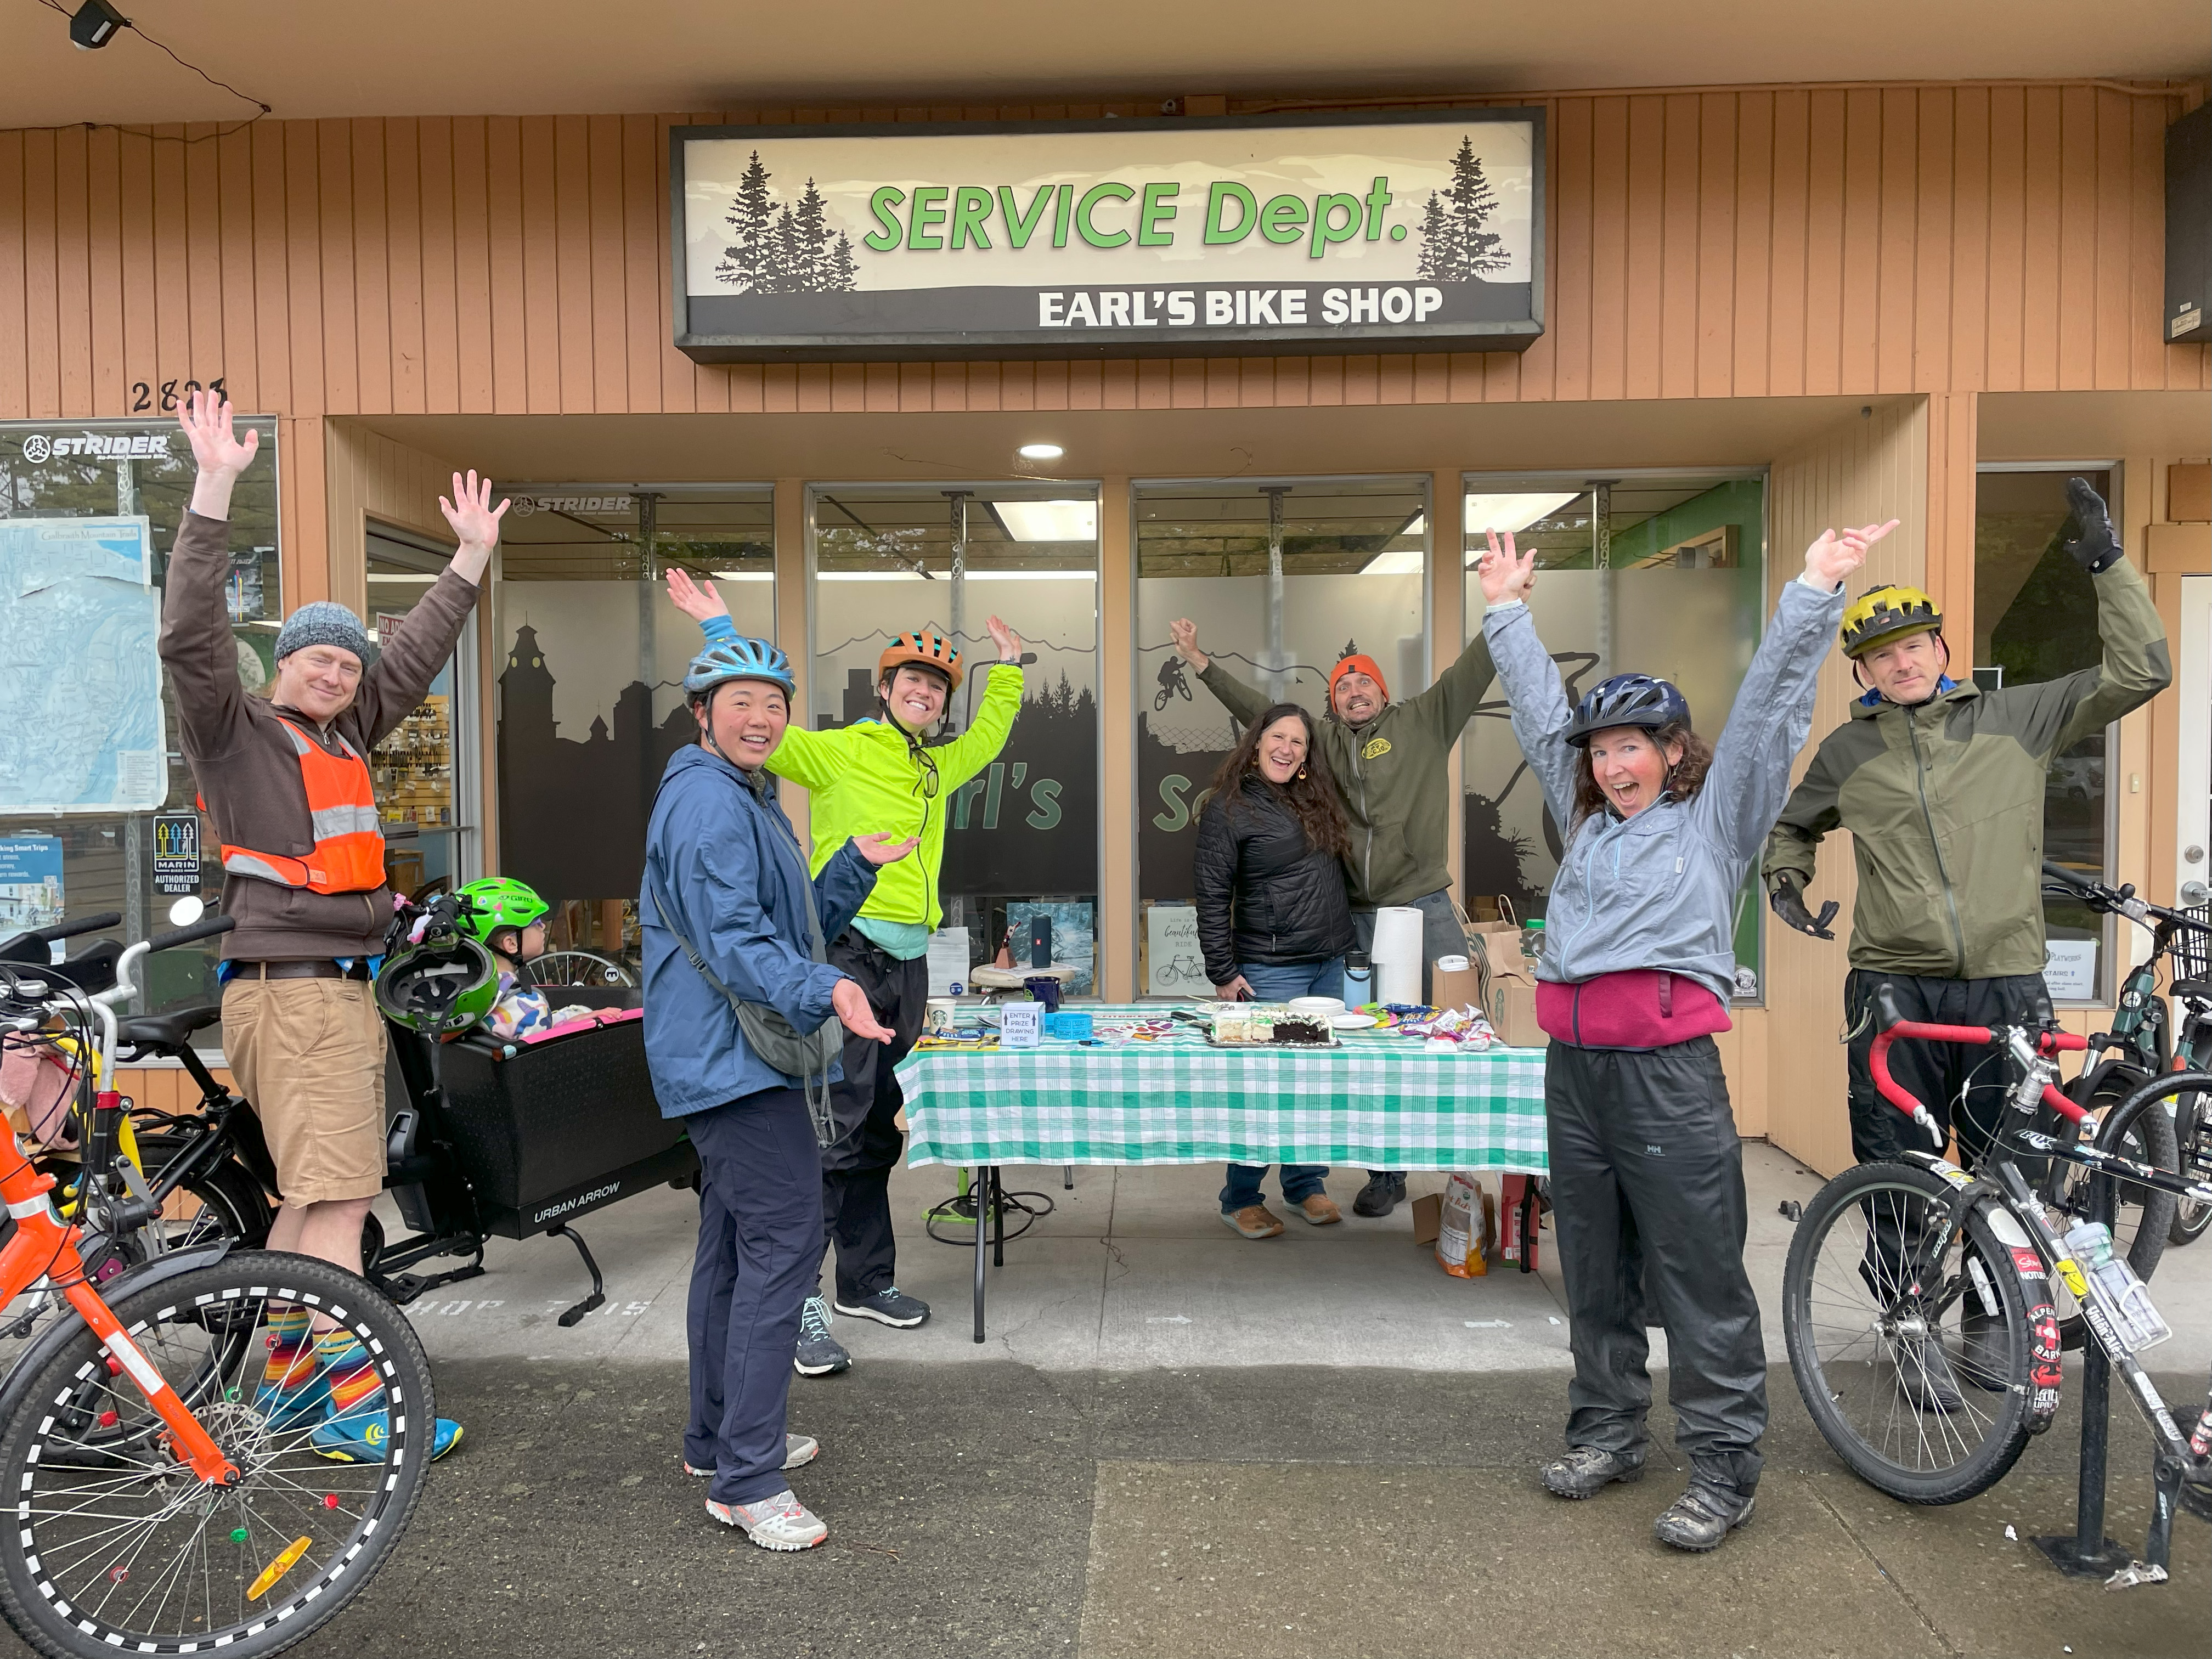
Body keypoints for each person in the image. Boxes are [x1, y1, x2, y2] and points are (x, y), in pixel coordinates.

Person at [1476, 515, 1890, 1552]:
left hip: (1667, 1077)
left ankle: (1722, 1466)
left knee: (1699, 1272)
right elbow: (1539, 719)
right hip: (1575, 1074)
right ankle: (1607, 1430)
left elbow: (1765, 714)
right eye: (1602, 749)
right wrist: (1505, 613)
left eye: (1632, 745)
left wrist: (1813, 589)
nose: (1613, 763)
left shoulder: (1714, 823)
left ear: (1670, 752)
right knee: (1593, 1265)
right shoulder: (1586, 825)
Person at [1760, 479, 2170, 1410]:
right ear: (1862, 673)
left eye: (1913, 645)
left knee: (2010, 1164)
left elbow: (2141, 671)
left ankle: (1993, 1325)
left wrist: (2107, 565)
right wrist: (1785, 877)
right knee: (1900, 1163)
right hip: (1893, 988)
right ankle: (1909, 1327)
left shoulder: (2016, 718)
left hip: (2003, 981)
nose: (1899, 662)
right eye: (1879, 654)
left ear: (1942, 648)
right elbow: (1793, 824)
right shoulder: (1847, 752)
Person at [162, 390, 475, 1461]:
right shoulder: (237, 731)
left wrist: (467, 561)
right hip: (300, 997)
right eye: (318, 659)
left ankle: (293, 1391)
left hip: (312, 995)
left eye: (348, 663)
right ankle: (352, 1404)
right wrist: (214, 489)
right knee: (342, 1206)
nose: (337, 672)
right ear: (281, 663)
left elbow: (412, 659)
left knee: (306, 1207)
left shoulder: (343, 735)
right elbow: (190, 634)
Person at [666, 569, 1025, 1375]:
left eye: (937, 687)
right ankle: (800, 1304)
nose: (924, 694)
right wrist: (720, 629)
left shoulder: (934, 767)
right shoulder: (837, 752)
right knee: (831, 1129)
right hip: (847, 953)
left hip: (909, 961)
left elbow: (989, 739)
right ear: (884, 690)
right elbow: (757, 724)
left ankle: (865, 1281)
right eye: (911, 682)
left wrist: (1008, 670)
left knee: (880, 1126)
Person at [641, 633, 917, 1550]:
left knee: (732, 1245)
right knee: (786, 1243)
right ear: (702, 713)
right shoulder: (708, 805)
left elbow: (788, 927)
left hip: (733, 1055)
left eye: (774, 704)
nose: (761, 719)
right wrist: (828, 989)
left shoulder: (746, 796)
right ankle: (748, 1480)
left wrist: (853, 867)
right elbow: (737, 943)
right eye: (741, 702)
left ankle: (716, 1439)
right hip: (732, 1060)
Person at [1167, 617, 1498, 1218]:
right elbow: (1263, 714)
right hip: (1357, 920)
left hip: (1422, 904)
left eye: (1363, 681)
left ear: (1383, 691)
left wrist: (1503, 614)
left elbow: (1471, 671)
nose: (1353, 691)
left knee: (1460, 1032)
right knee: (1367, 1051)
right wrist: (1201, 663)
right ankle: (1385, 1173)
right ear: (1332, 703)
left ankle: (1491, 1159)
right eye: (1342, 686)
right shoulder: (1317, 746)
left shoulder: (1425, 720)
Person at [1192, 703, 1357, 1238]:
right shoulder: (1229, 807)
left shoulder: (1314, 798)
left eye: (1298, 742)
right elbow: (1211, 893)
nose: (1287, 749)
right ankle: (1240, 1198)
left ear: (1307, 756)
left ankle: (1305, 1185)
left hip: (1328, 965)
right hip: (1271, 968)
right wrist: (1223, 971)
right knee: (1264, 1086)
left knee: (1314, 1084)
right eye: (1278, 738)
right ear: (1257, 743)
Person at [453, 876, 556, 1039]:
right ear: (511, 944)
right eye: (536, 922)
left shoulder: (453, 998)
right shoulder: (533, 1010)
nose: (543, 926)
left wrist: (568, 1017)